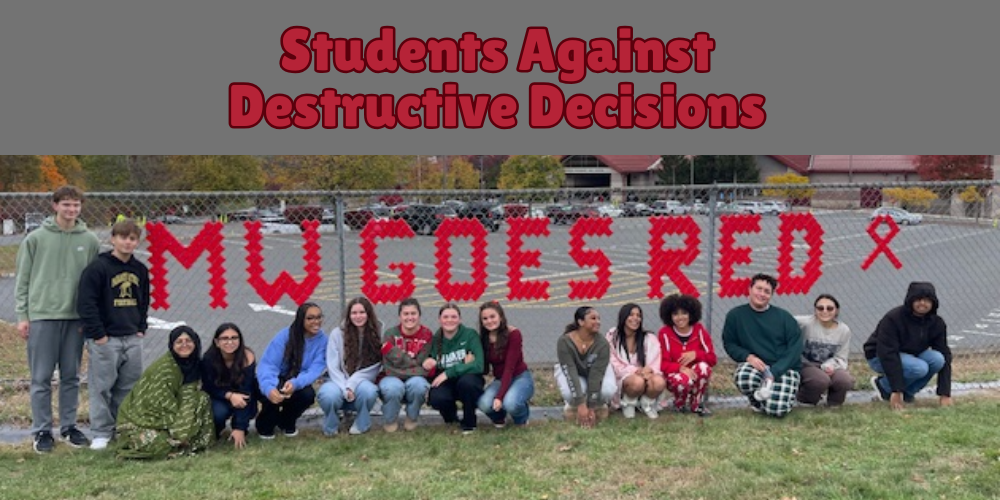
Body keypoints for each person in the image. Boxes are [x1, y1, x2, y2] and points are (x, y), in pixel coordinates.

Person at [16, 185, 101, 453]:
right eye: (66, 204)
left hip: (75, 318)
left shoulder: (89, 240)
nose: (71, 209)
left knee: (71, 376)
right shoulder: (36, 238)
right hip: (43, 316)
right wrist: (23, 315)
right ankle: (41, 431)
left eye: (76, 205)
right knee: (41, 377)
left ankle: (68, 427)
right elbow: (23, 280)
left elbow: (94, 282)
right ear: (55, 206)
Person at [76, 218, 150, 450]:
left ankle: (123, 427)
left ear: (137, 242)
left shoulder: (140, 269)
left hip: (131, 336)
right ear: (113, 239)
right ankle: (101, 432)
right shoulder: (98, 268)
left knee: (128, 386)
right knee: (102, 386)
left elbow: (143, 300)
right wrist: (99, 334)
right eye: (123, 238)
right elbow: (87, 303)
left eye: (132, 239)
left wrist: (140, 327)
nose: (127, 243)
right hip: (106, 338)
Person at [115, 326, 214, 459]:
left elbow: (190, 397)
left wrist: (183, 425)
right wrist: (180, 428)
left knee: (202, 398)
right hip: (144, 419)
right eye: (179, 342)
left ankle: (183, 441)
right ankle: (180, 442)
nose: (184, 345)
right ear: (171, 345)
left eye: (188, 341)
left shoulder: (195, 364)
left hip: (177, 412)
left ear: (195, 343)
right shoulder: (165, 369)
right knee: (158, 444)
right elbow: (158, 405)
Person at [722, 273, 803, 418]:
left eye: (767, 291)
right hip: (757, 365)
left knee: (776, 411)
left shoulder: (784, 317)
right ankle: (757, 401)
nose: (762, 294)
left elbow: (795, 348)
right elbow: (730, 344)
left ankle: (779, 399)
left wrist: (775, 372)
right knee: (744, 377)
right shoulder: (735, 315)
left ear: (771, 295)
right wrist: (748, 357)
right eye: (758, 289)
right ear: (750, 289)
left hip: (783, 368)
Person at [865, 282, 952, 410]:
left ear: (933, 303)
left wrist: (945, 393)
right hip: (880, 356)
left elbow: (945, 353)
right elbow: (888, 353)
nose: (923, 303)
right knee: (919, 368)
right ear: (910, 300)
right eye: (918, 299)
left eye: (928, 300)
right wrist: (896, 390)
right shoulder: (893, 318)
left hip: (911, 355)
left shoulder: (936, 323)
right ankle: (884, 387)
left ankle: (908, 393)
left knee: (938, 359)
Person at [256, 302, 329, 438]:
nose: (316, 321)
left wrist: (295, 383)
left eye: (319, 317)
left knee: (307, 395)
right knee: (273, 395)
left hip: (297, 379)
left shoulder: (323, 341)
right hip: (276, 377)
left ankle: (286, 422)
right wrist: (269, 388)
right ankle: (265, 426)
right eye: (310, 318)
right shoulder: (285, 336)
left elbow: (314, 370)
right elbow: (268, 365)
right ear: (301, 319)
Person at [317, 297, 382, 436]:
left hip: (361, 381)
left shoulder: (377, 334)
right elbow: (332, 366)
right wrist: (345, 387)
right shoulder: (337, 334)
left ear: (368, 314)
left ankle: (361, 423)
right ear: (348, 315)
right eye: (354, 313)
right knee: (328, 395)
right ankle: (331, 425)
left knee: (369, 392)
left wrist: (351, 385)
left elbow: (375, 367)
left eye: (362, 312)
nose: (358, 316)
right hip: (336, 380)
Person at [425, 303, 485, 434]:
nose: (449, 320)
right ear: (439, 320)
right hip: (448, 381)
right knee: (437, 397)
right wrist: (429, 363)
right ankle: (451, 418)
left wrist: (449, 372)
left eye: (454, 316)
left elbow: (479, 365)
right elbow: (432, 363)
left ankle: (470, 422)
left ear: (460, 319)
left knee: (467, 383)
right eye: (445, 317)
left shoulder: (470, 335)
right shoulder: (436, 339)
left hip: (467, 378)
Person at [476, 301, 535, 428]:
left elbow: (509, 368)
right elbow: (485, 369)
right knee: (484, 404)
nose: (489, 321)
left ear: (501, 316)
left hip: (519, 376)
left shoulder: (513, 334)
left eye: (493, 316)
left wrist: (499, 397)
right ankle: (499, 418)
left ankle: (522, 419)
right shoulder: (484, 338)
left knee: (510, 403)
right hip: (500, 379)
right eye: (485, 318)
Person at [379, 297, 434, 432]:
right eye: (406, 314)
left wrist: (398, 356)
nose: (410, 317)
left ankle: (412, 416)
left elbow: (425, 363)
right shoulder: (390, 334)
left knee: (419, 385)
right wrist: (416, 366)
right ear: (400, 316)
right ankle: (390, 419)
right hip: (392, 377)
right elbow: (389, 368)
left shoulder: (427, 335)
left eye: (413, 313)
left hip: (414, 377)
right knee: (393, 387)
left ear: (419, 315)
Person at [554, 306, 615, 428]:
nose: (598, 322)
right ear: (581, 322)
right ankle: (572, 405)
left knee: (608, 390)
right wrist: (581, 405)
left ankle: (599, 404)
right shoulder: (564, 341)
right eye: (593, 318)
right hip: (574, 371)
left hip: (595, 371)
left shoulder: (602, 344)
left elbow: (596, 375)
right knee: (570, 393)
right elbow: (570, 371)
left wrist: (591, 407)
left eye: (599, 318)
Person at [659, 294, 717, 416]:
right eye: (675, 314)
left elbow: (712, 359)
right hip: (676, 376)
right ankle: (679, 405)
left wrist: (696, 354)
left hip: (696, 374)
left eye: (684, 313)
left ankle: (696, 404)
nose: (680, 317)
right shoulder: (664, 333)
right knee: (682, 380)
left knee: (704, 367)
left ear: (691, 314)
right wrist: (680, 368)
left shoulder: (700, 330)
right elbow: (662, 364)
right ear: (669, 316)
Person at [201, 323, 257, 449]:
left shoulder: (247, 357)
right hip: (219, 394)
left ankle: (239, 430)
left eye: (234, 338)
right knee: (219, 413)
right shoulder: (209, 359)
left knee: (249, 409)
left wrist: (239, 427)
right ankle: (213, 433)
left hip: (241, 395)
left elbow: (246, 391)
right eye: (225, 338)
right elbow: (209, 386)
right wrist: (230, 395)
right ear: (217, 342)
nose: (230, 342)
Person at [606, 303, 665, 419]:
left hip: (645, 375)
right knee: (637, 382)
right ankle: (628, 403)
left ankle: (646, 403)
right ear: (623, 317)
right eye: (631, 315)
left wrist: (649, 370)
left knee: (659, 382)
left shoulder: (649, 338)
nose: (635, 319)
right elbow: (613, 363)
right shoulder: (613, 337)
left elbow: (656, 361)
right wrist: (635, 370)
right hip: (624, 378)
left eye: (638, 315)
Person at [795, 294, 855, 407]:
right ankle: (805, 401)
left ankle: (834, 404)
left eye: (830, 308)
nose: (825, 311)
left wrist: (831, 366)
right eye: (820, 308)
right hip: (806, 364)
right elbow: (784, 320)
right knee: (820, 380)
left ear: (836, 311)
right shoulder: (805, 323)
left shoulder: (844, 330)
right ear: (815, 310)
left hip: (830, 365)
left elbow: (841, 357)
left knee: (845, 380)